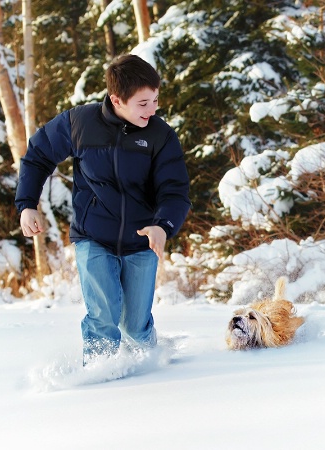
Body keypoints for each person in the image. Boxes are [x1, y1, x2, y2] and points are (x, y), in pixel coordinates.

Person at [15, 54, 190, 365]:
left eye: (155, 101)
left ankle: (154, 368)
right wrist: (27, 204)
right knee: (103, 317)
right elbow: (38, 156)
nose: (153, 110)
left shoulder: (159, 135)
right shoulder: (80, 123)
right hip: (93, 236)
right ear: (117, 99)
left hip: (141, 240)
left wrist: (163, 225)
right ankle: (99, 374)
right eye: (143, 103)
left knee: (136, 325)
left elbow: (174, 190)